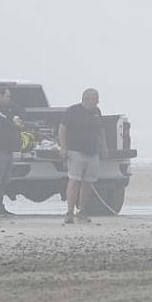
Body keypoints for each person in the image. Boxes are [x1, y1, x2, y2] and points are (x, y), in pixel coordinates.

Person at [59, 88, 109, 224]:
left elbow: (100, 129)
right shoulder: (73, 111)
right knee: (74, 181)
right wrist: (63, 147)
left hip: (93, 152)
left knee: (88, 183)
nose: (98, 102)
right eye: (95, 99)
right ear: (86, 99)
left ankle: (82, 211)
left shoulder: (96, 112)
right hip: (76, 151)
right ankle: (69, 212)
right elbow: (62, 128)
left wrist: (104, 146)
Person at [0, 87, 23, 217]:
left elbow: (21, 113)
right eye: (7, 96)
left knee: (5, 179)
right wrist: (14, 121)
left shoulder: (8, 109)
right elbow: (7, 121)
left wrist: (13, 108)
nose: (9, 99)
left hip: (8, 149)